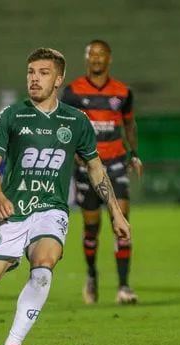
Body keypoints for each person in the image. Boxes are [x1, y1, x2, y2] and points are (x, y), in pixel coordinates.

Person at [0, 48, 130, 345]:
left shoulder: (76, 121)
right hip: (14, 208)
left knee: (44, 267)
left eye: (43, 72)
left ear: (59, 78)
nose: (34, 78)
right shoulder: (11, 115)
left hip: (51, 209)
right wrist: (0, 197)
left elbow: (96, 168)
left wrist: (116, 212)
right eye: (31, 72)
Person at [60, 39, 142, 305]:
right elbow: (66, 130)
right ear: (86, 59)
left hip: (116, 163)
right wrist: (74, 156)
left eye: (101, 54)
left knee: (122, 222)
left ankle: (124, 287)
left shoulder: (122, 92)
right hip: (86, 167)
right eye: (91, 55)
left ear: (109, 58)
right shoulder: (72, 92)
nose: (96, 59)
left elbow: (129, 125)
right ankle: (92, 275)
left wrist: (134, 154)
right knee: (91, 228)